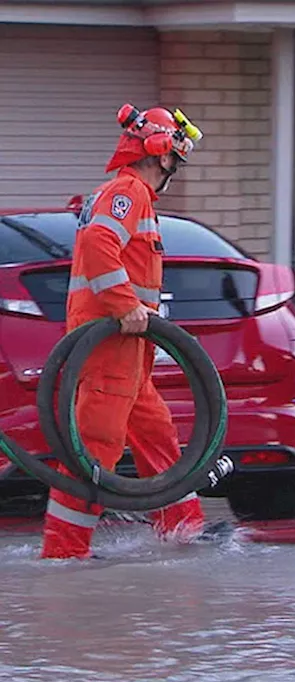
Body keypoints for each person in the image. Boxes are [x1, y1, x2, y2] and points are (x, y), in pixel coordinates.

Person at [42, 103, 211, 560]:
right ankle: (64, 554)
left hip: (129, 348)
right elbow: (100, 245)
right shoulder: (128, 192)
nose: (174, 167)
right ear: (160, 153)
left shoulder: (134, 198)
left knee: (157, 437)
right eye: (175, 156)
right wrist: (126, 306)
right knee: (94, 449)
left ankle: (185, 533)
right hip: (109, 345)